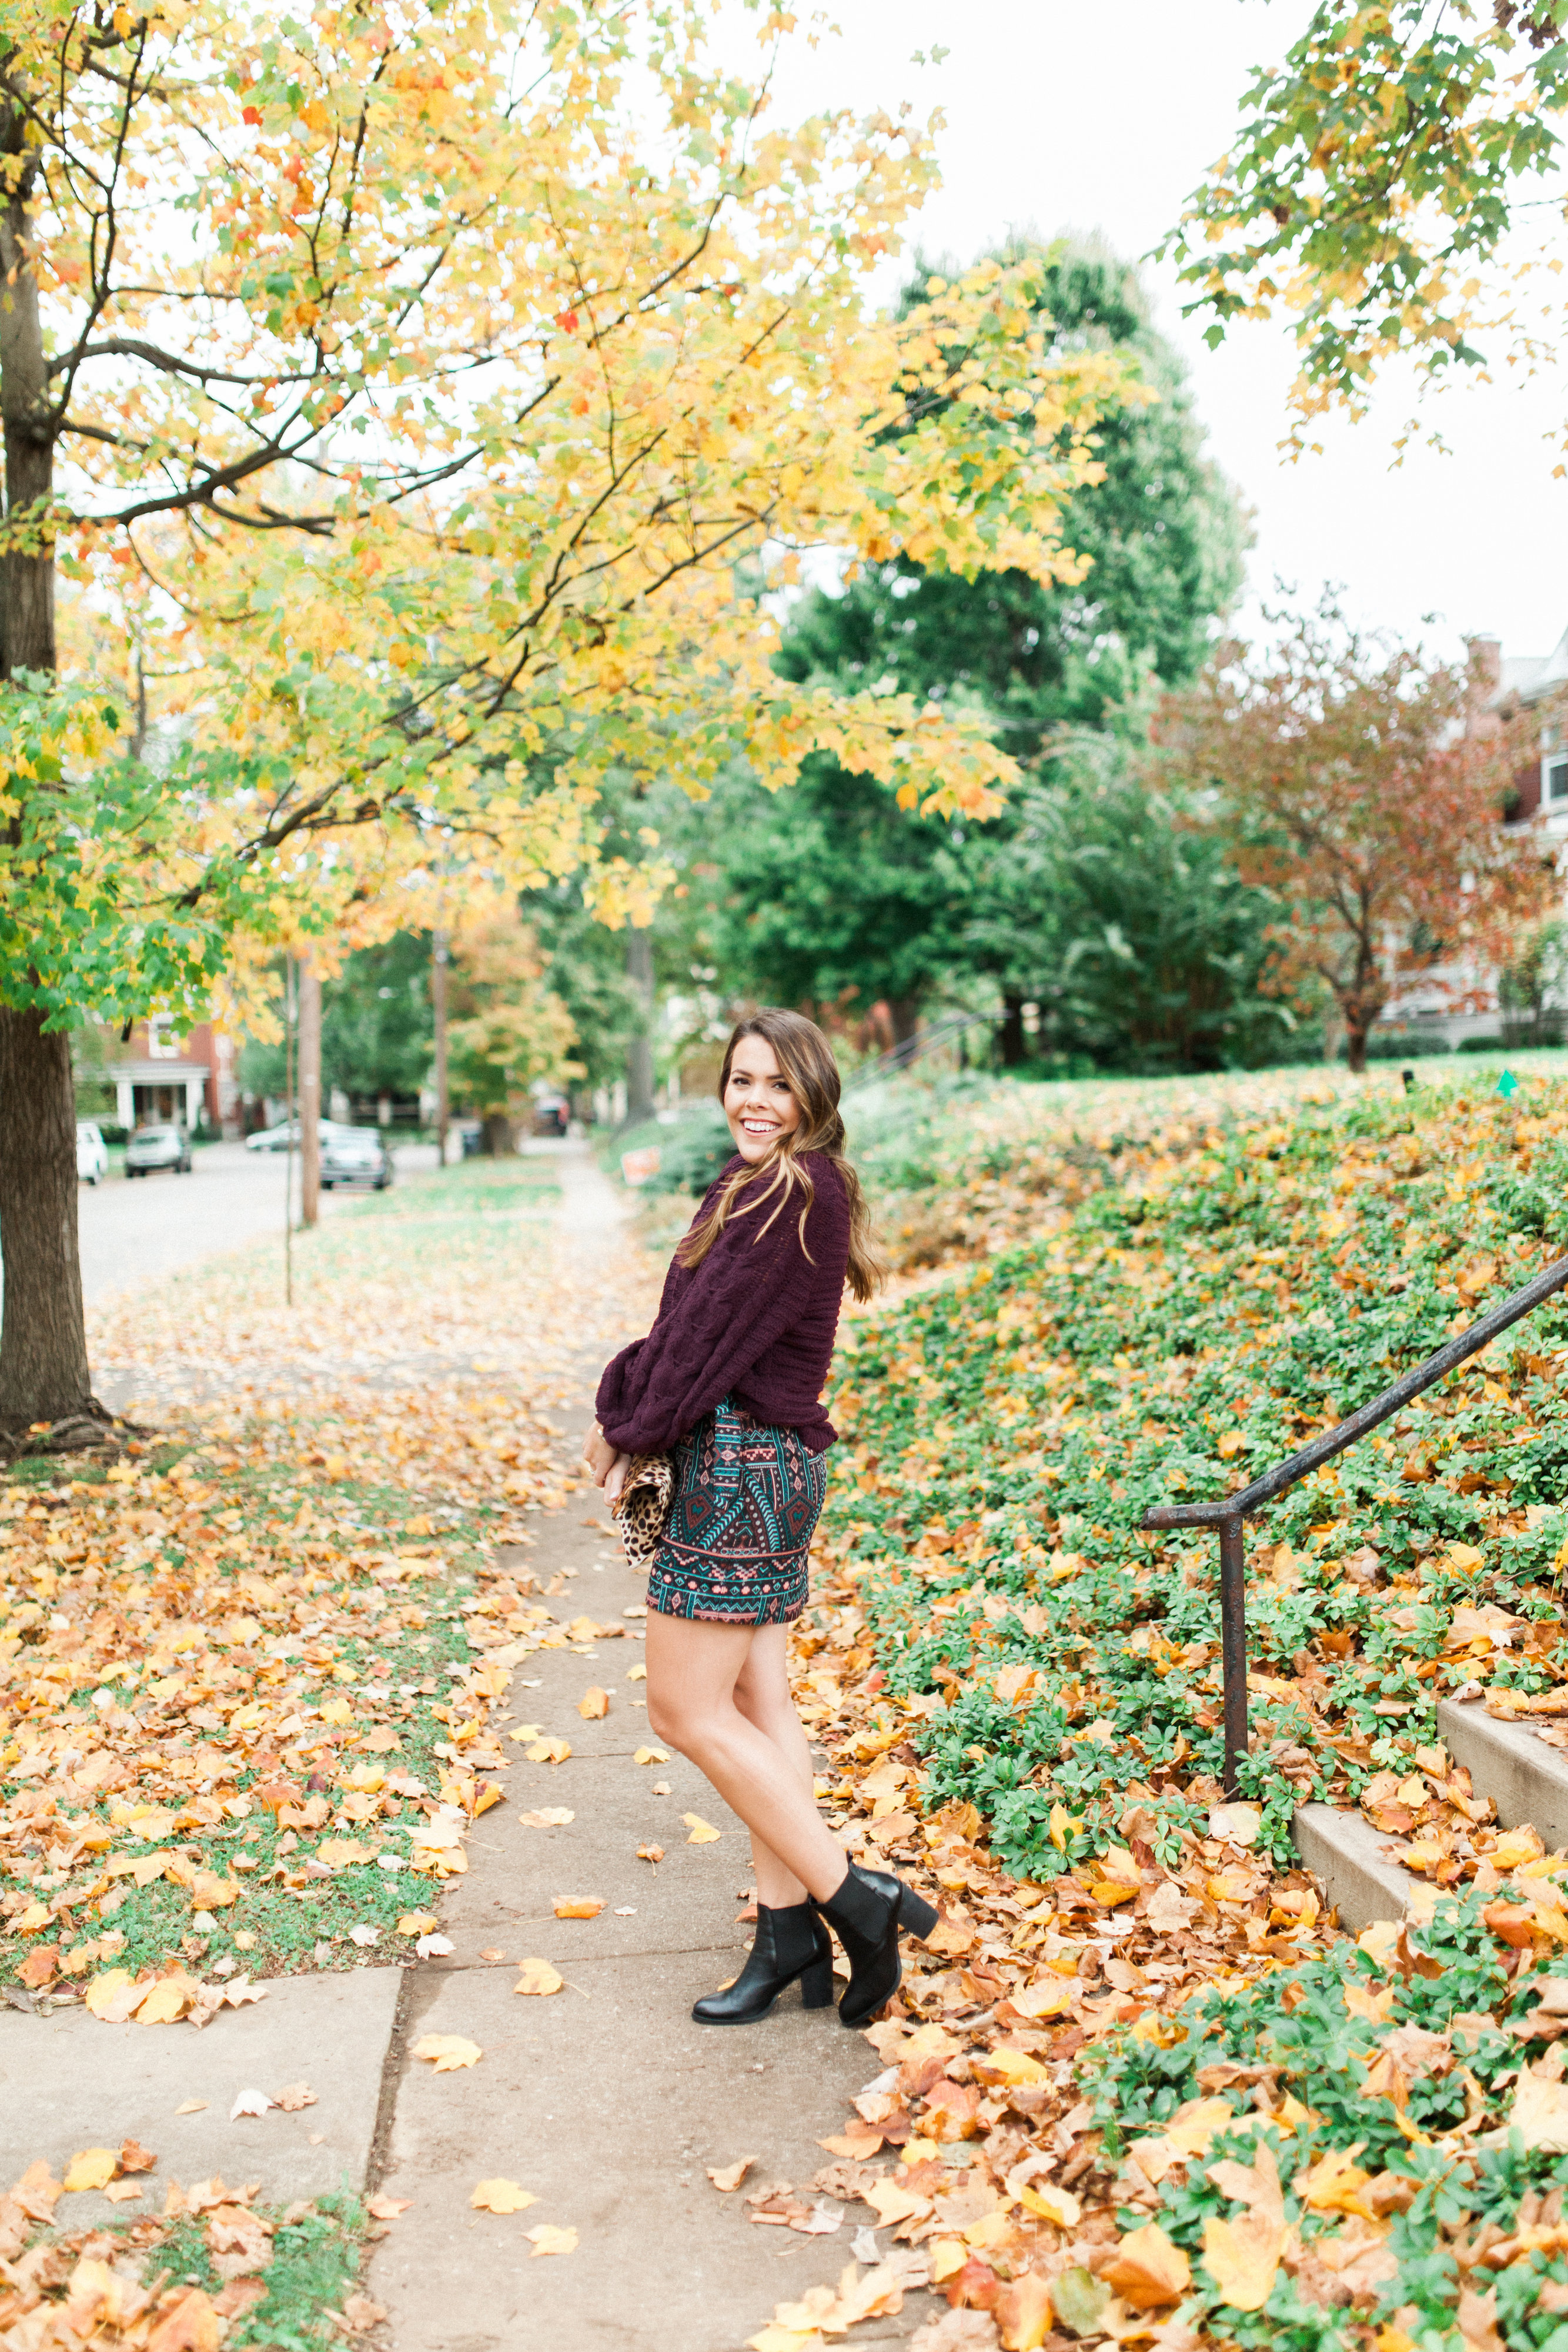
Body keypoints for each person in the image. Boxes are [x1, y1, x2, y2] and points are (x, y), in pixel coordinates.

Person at [582, 1008, 938, 2027]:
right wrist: (642, 1410)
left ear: (812, 1097)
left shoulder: (792, 1190)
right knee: (757, 1703)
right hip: (764, 1464)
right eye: (741, 1080)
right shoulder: (763, 1186)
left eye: (778, 1086)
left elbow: (697, 1349)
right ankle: (787, 1940)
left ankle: (856, 1901)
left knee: (683, 1712)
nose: (754, 1101)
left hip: (744, 1469)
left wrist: (624, 1424)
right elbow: (686, 1330)